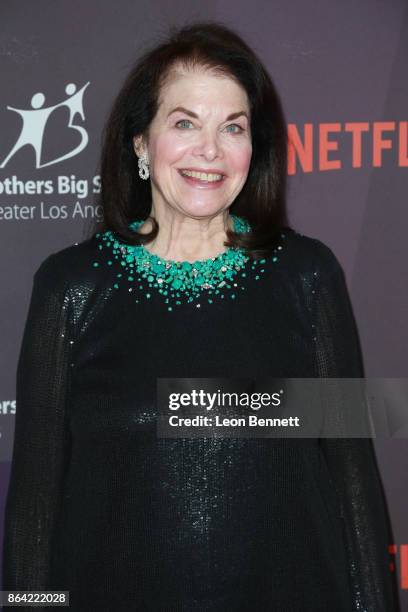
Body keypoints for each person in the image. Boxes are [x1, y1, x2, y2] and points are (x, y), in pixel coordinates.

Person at [2, 20, 400, 612]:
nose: (209, 150)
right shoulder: (72, 288)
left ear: (252, 151)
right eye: (184, 122)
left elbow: (352, 483)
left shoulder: (306, 277)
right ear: (141, 143)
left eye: (232, 128)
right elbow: (36, 509)